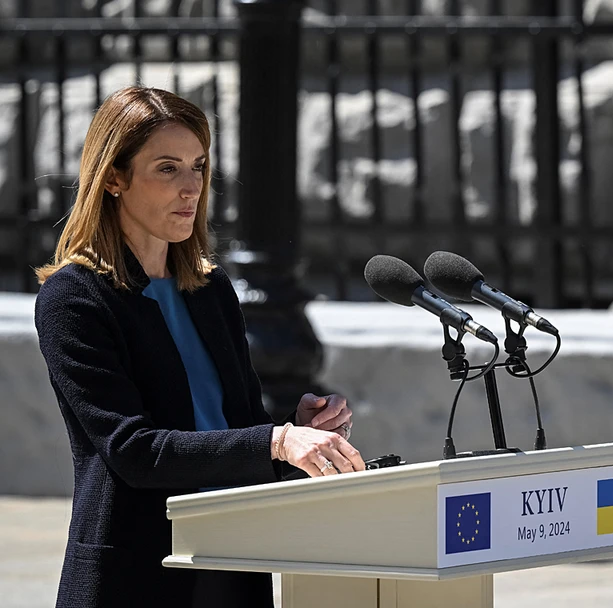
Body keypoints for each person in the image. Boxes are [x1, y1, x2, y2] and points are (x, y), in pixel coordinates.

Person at [33, 86, 366, 608]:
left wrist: (296, 429)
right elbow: (134, 451)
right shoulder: (74, 299)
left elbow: (229, 432)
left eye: (199, 166)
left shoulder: (209, 291)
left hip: (232, 565)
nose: (191, 188)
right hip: (139, 574)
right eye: (167, 169)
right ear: (114, 178)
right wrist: (274, 442)